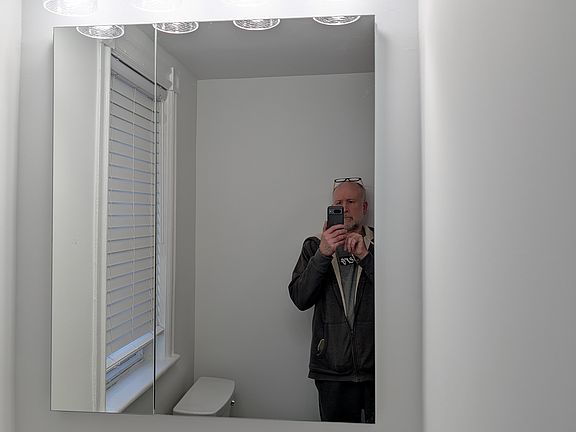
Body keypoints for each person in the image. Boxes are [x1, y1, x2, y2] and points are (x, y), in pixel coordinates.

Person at [288, 177, 375, 423]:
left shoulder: (382, 243)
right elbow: (300, 298)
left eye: (351, 202)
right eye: (338, 203)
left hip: (378, 368)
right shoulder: (314, 246)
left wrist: (366, 257)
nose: (344, 208)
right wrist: (323, 254)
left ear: (364, 207)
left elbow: (400, 294)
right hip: (331, 369)